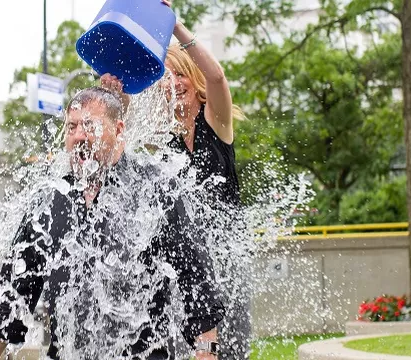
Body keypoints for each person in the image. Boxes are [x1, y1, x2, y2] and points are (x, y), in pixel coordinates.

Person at [0, 87, 224, 360]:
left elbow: (196, 279)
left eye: (90, 126)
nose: (79, 136)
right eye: (72, 127)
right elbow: (15, 291)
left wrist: (206, 351)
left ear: (118, 129)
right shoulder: (50, 200)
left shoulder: (155, 189)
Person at [100, 1, 251, 358]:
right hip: (189, 263)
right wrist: (116, 95)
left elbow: (217, 78)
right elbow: (121, 140)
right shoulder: (163, 143)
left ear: (193, 80)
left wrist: (175, 25)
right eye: (167, 78)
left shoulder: (216, 123)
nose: (175, 84)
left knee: (230, 350)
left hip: (226, 261)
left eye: (180, 75)